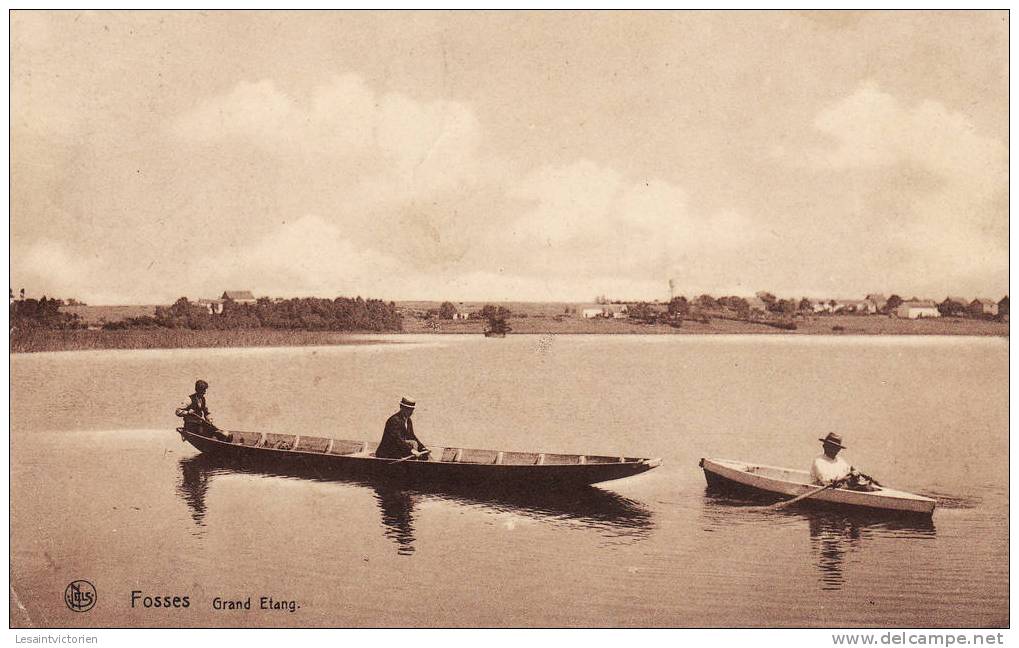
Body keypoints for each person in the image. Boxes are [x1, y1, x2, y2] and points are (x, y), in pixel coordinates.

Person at [810, 432, 878, 491]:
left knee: (867, 488)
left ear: (839, 449)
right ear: (824, 446)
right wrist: (845, 478)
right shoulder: (818, 461)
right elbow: (827, 482)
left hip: (839, 491)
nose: (833, 450)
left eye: (836, 448)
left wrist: (855, 475)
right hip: (824, 492)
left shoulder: (841, 461)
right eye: (831, 446)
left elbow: (850, 477)